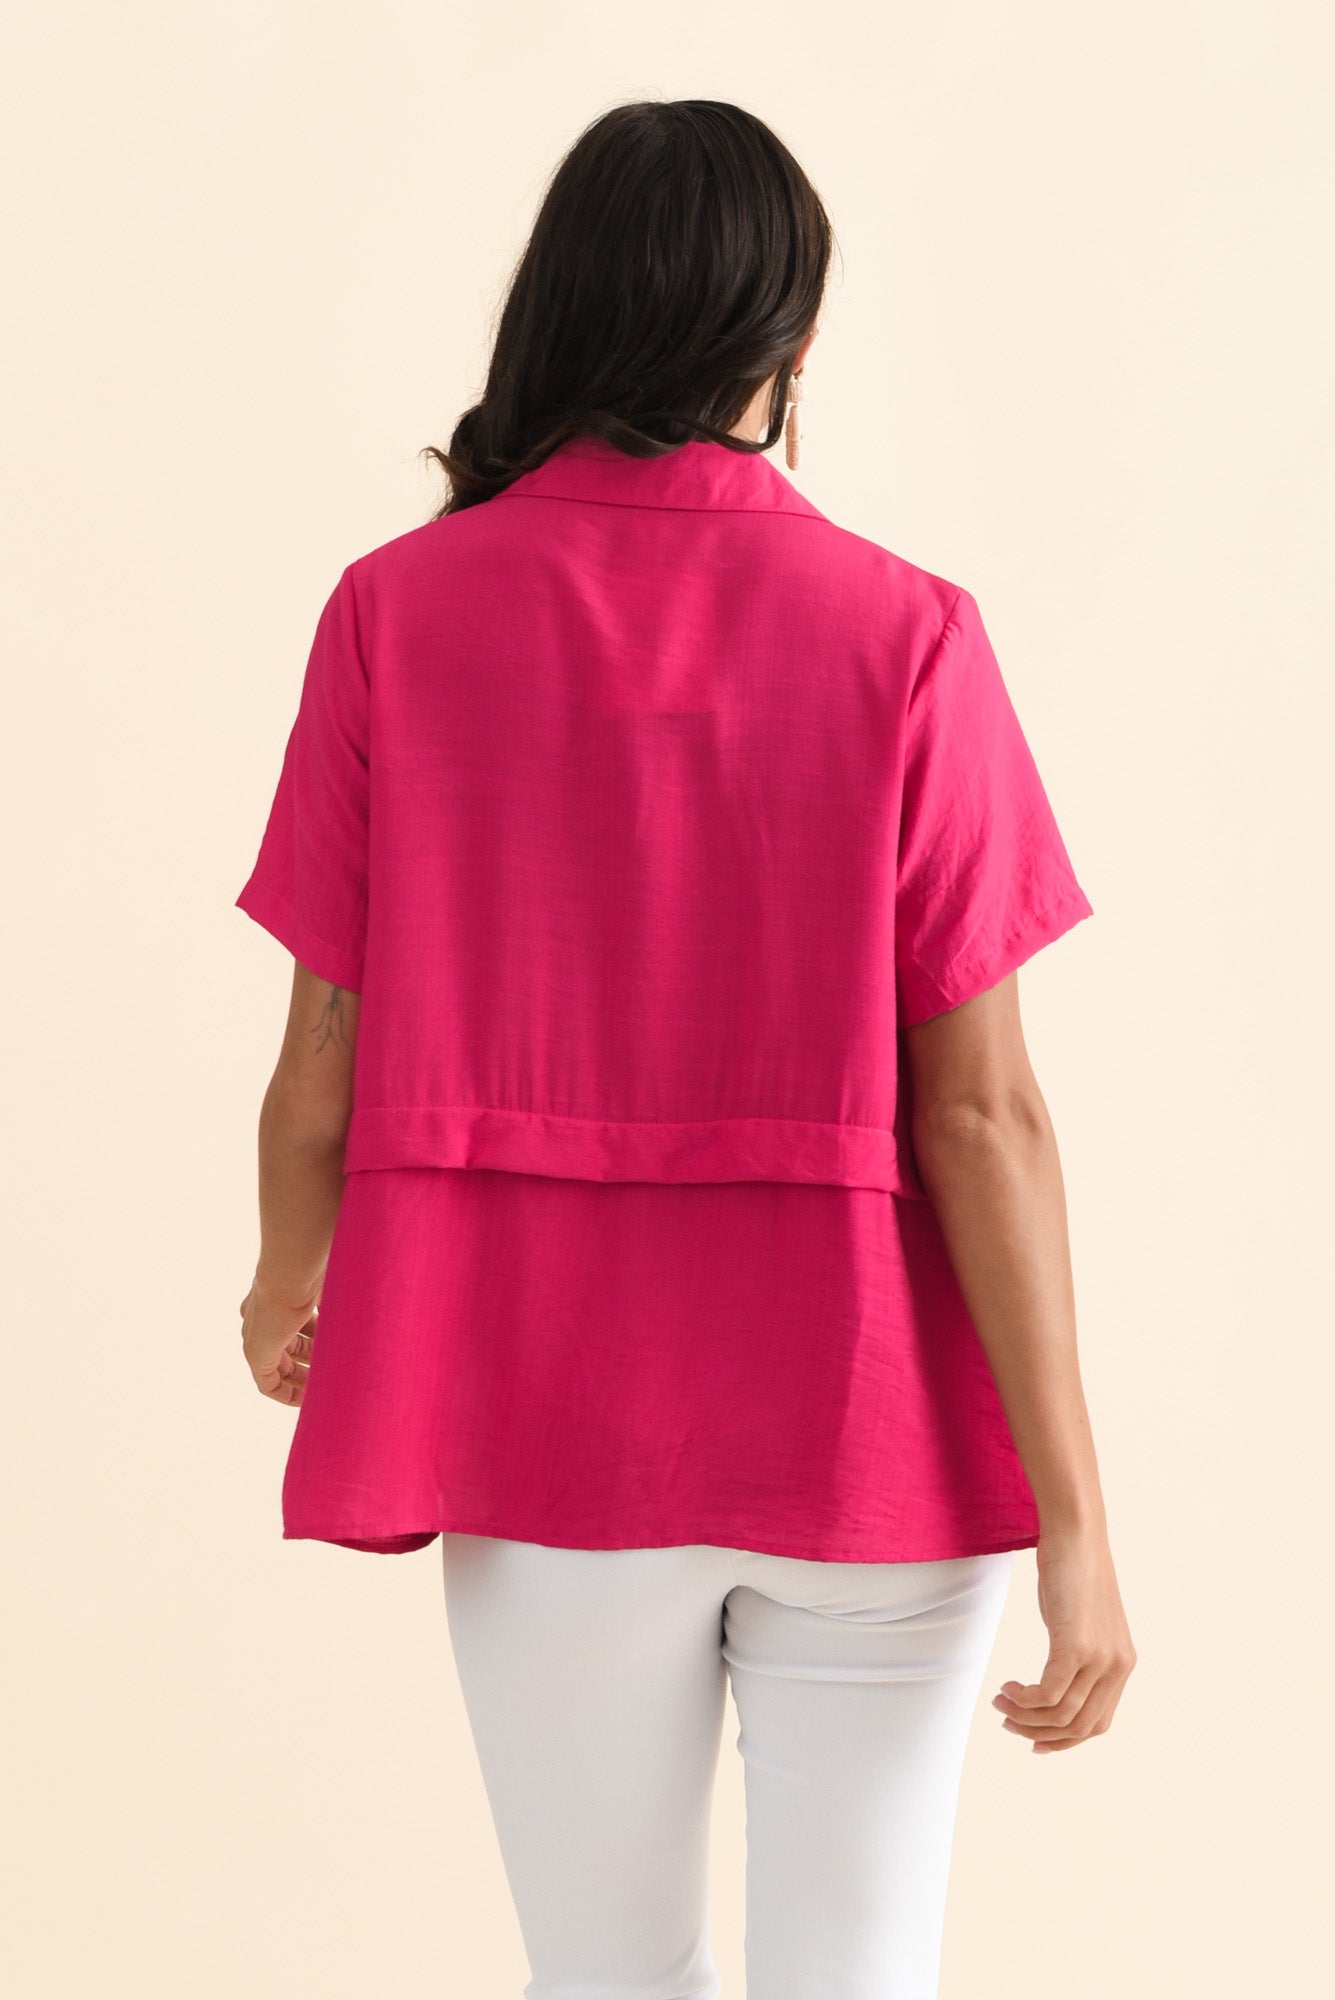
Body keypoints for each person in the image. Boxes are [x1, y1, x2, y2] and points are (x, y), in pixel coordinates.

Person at [234, 97, 1135, 2000]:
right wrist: (1077, 1521)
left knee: (607, 1977)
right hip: (872, 1432)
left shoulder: (396, 612)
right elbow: (986, 1116)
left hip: (540, 1414)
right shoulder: (909, 633)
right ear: (786, 340)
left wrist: (283, 1278)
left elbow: (323, 1053)